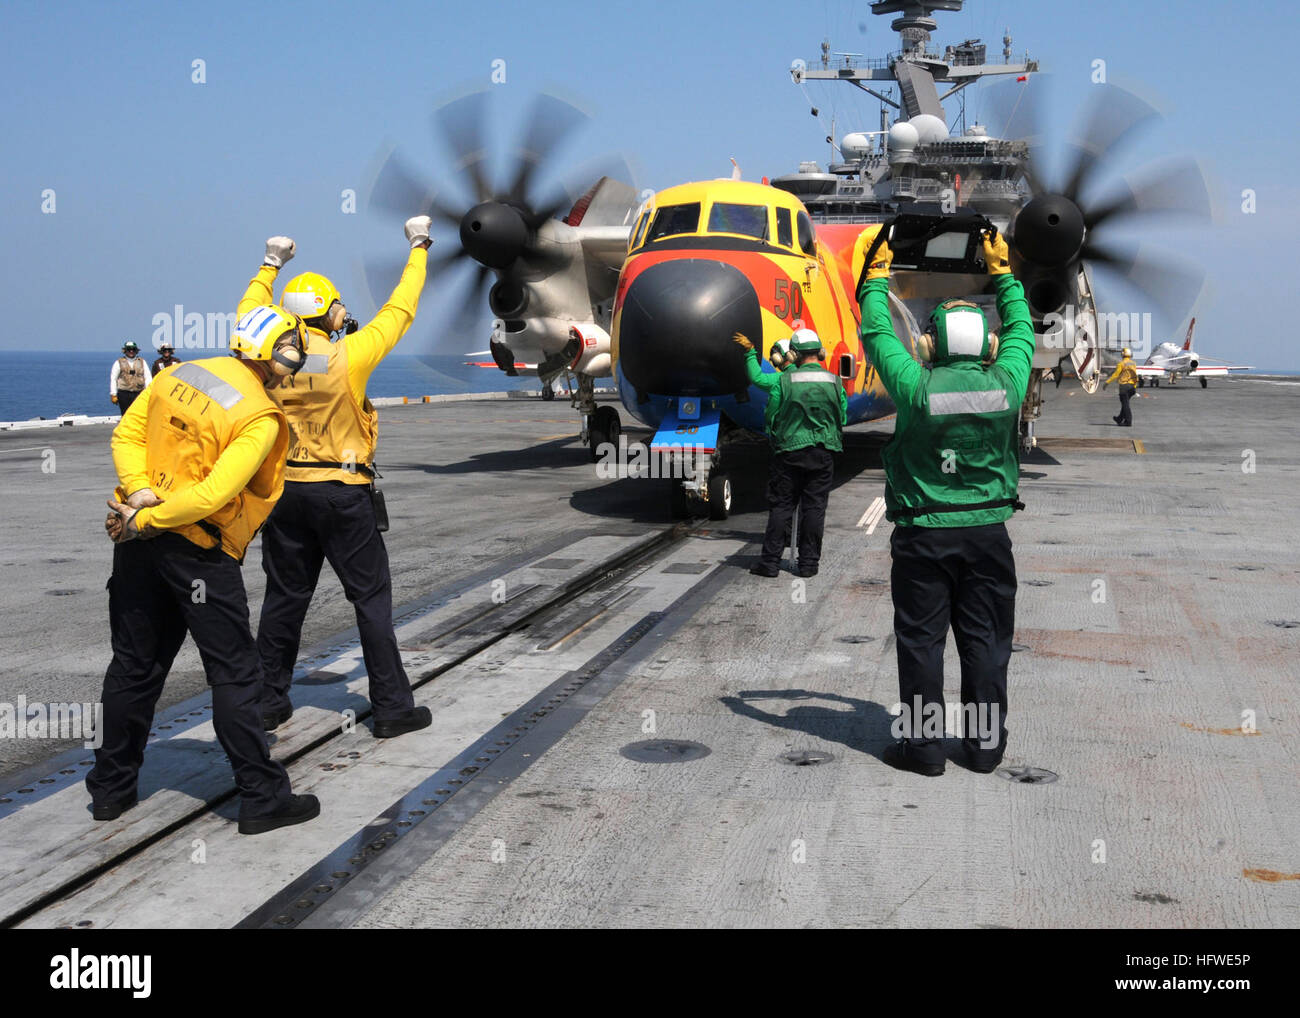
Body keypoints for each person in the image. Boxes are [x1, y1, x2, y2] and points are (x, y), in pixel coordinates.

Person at [91, 304, 320, 835]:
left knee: (134, 667)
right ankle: (262, 798)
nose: (298, 352)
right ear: (275, 350)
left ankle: (110, 790)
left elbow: (125, 437)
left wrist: (141, 500)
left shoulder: (178, 373)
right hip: (197, 555)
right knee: (236, 673)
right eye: (293, 343)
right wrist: (153, 516)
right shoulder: (260, 416)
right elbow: (215, 493)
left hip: (137, 544)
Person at [239, 219, 434, 738]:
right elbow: (401, 309)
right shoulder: (349, 355)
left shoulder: (268, 356)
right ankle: (391, 708)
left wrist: (271, 262)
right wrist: (418, 247)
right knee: (370, 601)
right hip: (343, 494)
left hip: (284, 495)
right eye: (339, 303)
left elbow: (248, 311)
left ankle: (268, 701)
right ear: (329, 311)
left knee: (284, 599)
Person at [853, 223, 1034, 776]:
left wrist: (876, 278)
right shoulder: (1008, 381)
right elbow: (1023, 330)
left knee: (922, 645)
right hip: (986, 537)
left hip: (923, 539)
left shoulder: (915, 386)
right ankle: (982, 750)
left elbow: (877, 333)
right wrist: (1004, 274)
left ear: (929, 345)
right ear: (989, 345)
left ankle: (926, 751)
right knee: (984, 645)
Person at [733, 327, 848, 578]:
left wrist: (777, 437)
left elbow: (772, 416)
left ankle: (771, 563)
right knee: (814, 509)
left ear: (793, 355)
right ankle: (808, 565)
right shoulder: (834, 381)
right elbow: (842, 416)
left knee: (782, 508)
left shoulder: (784, 381)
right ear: (819, 353)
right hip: (823, 452)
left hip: (789, 453)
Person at [110, 342, 151, 415]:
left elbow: (148, 378)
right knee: (125, 414)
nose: (131, 351)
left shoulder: (142, 362)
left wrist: (148, 392)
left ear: (136, 351)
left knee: (139, 414)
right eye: (129, 349)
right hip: (123, 394)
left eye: (133, 349)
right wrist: (113, 394)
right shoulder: (118, 362)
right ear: (125, 351)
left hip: (139, 393)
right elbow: (113, 379)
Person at [1103, 347, 1138, 426]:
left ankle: (1128, 422)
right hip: (1132, 387)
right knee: (1125, 403)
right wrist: (1135, 386)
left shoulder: (1121, 364)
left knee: (1125, 405)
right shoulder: (1133, 363)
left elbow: (1115, 375)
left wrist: (1107, 383)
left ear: (1122, 354)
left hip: (1124, 387)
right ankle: (1119, 418)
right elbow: (1135, 375)